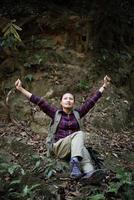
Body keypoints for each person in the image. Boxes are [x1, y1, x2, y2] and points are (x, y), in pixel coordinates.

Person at [15, 75, 111, 182]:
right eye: (65, 98)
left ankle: (90, 175)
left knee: (85, 155)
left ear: (74, 102)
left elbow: (91, 101)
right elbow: (39, 101)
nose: (68, 100)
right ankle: (75, 163)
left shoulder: (78, 113)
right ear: (61, 102)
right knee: (79, 134)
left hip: (74, 149)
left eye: (71, 99)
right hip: (59, 147)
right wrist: (21, 89)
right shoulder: (55, 113)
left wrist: (104, 86)